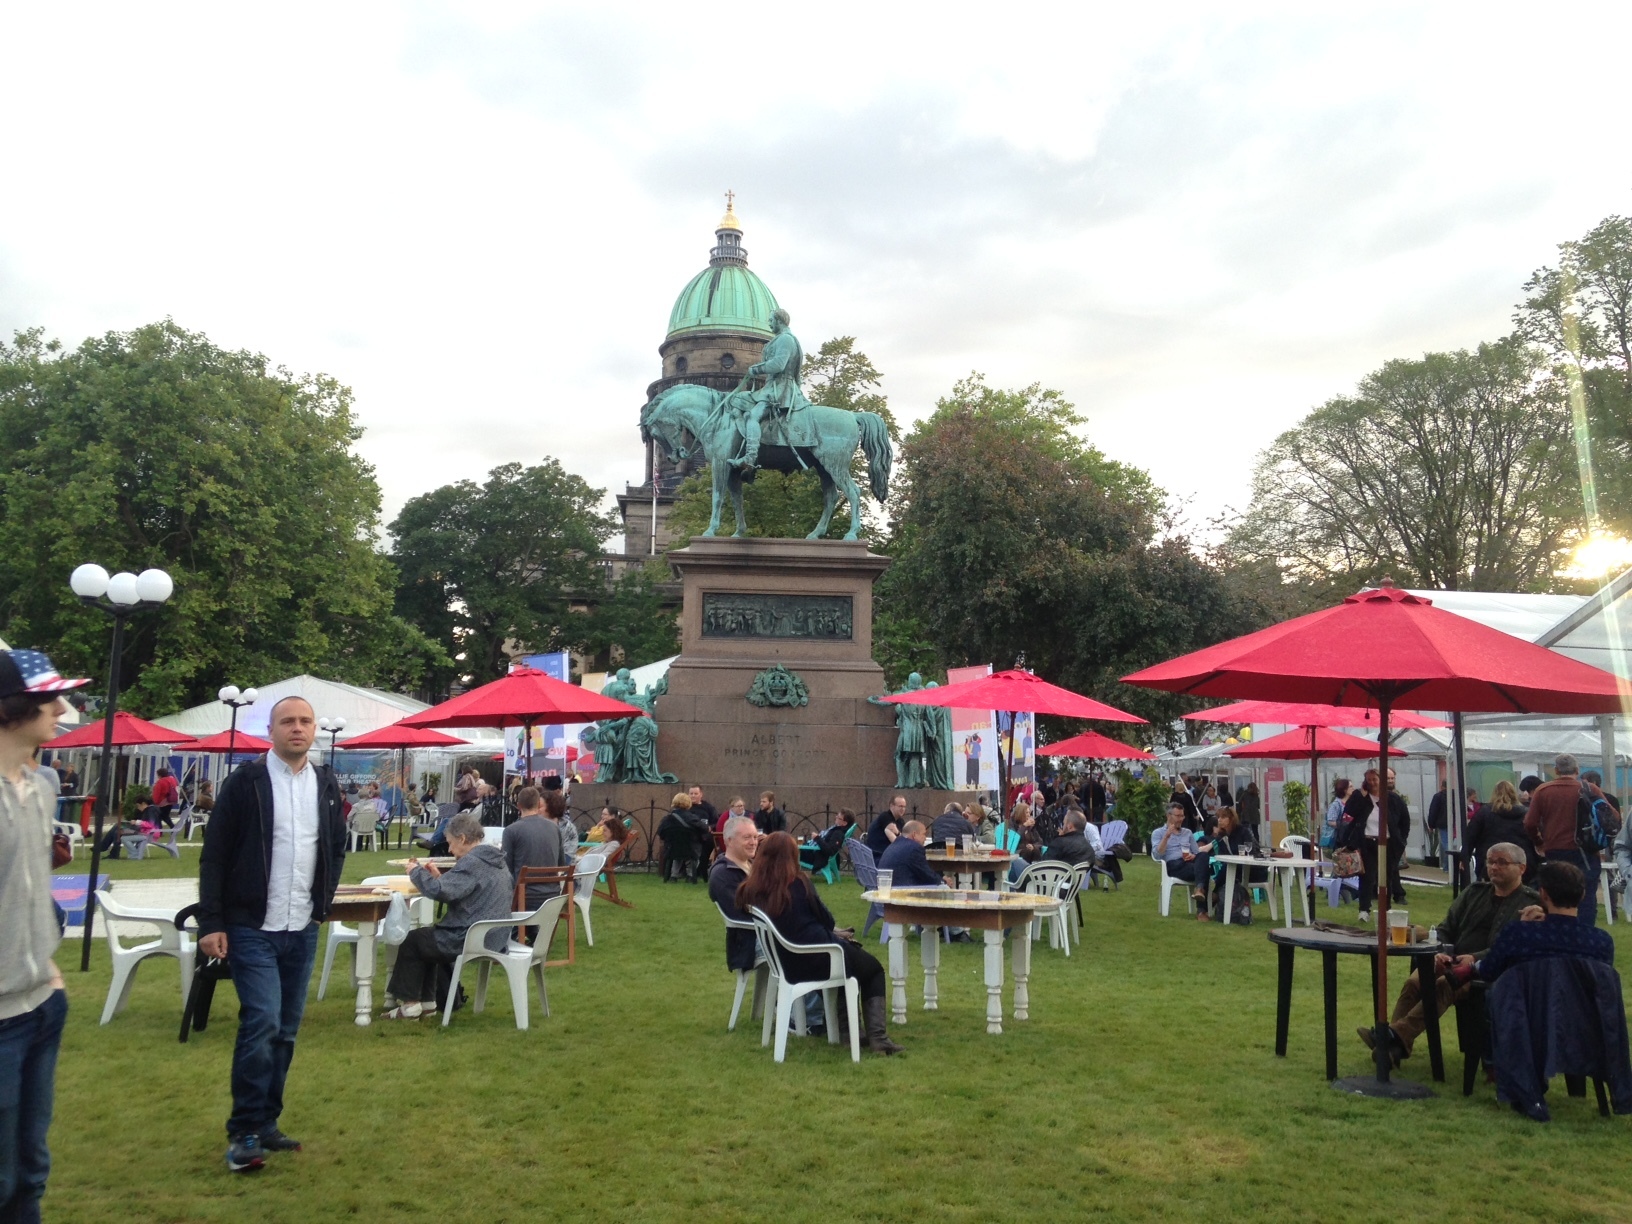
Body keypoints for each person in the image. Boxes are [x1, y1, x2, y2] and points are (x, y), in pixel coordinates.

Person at [198, 695, 348, 1172]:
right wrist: (212, 921)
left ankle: (266, 1123)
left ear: (315, 730)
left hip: (301, 925)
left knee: (285, 1031)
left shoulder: (325, 784)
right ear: (271, 729)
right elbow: (215, 855)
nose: (298, 728)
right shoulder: (246, 782)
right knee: (260, 1022)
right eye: (288, 721)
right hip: (251, 926)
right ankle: (243, 1131)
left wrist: (321, 905)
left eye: (306, 721)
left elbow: (335, 846)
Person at [0, 650, 81, 1221]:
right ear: (13, 706)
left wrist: (49, 969)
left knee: (30, 1172)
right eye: (49, 697)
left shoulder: (42, 785)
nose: (62, 709)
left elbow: (32, 888)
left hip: (41, 1004)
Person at [1357, 843, 1538, 1067]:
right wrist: (1439, 951)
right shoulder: (1474, 892)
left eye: (1502, 862)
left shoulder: (1530, 904)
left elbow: (1516, 946)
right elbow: (1444, 929)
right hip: (1452, 960)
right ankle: (1393, 1047)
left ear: (1522, 868)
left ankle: (1388, 1037)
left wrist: (1475, 958)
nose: (1494, 867)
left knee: (1445, 984)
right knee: (1415, 981)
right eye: (1491, 861)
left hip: (1491, 970)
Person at [737, 832, 903, 1055]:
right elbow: (828, 920)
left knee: (853, 964)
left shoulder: (751, 888)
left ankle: (849, 1033)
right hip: (818, 955)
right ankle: (878, 1039)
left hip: (786, 960)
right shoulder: (798, 883)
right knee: (873, 970)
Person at [383, 813, 515, 1021]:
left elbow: (439, 892)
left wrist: (416, 872)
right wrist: (439, 878)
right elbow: (463, 893)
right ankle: (427, 1004)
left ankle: (410, 1006)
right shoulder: (495, 860)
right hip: (495, 936)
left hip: (470, 936)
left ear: (462, 839)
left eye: (451, 844)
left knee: (413, 941)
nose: (451, 850)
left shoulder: (472, 863)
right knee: (425, 940)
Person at [1464, 861, 1616, 983]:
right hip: (1582, 1018)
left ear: (1543, 894)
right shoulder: (1601, 942)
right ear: (1583, 894)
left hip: (1527, 1016)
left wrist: (1524, 927)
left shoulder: (1520, 935)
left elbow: (1488, 971)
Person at [1523, 754, 1598, 926]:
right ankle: (1584, 935)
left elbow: (1529, 823)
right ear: (1577, 770)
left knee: (1555, 894)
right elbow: (1612, 817)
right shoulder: (1589, 789)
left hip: (1555, 849)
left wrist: (1538, 841)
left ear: (1556, 770)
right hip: (1585, 851)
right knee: (1585, 895)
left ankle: (1556, 931)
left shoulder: (1543, 790)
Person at [1341, 769, 1404, 922]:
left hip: (1388, 842)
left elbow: (1404, 820)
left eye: (1374, 779)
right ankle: (1364, 910)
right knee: (1367, 877)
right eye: (1369, 779)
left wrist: (1401, 839)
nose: (1372, 782)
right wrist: (1360, 796)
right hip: (1368, 842)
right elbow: (1349, 813)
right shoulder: (1360, 797)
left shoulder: (1393, 799)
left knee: (1387, 876)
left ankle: (1386, 908)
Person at [707, 815, 761, 974]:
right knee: (815, 953)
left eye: (755, 837)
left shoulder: (753, 867)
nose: (753, 842)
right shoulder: (723, 874)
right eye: (747, 837)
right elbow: (741, 915)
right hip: (751, 944)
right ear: (729, 841)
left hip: (770, 934)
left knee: (831, 944)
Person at [501, 786, 565, 912]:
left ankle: (516, 931)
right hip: (552, 895)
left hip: (524, 896)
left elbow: (506, 869)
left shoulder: (511, 831)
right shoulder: (554, 828)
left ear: (518, 806)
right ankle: (531, 931)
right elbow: (561, 864)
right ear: (538, 804)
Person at [1150, 802, 1214, 919]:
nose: (1181, 819)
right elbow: (1157, 855)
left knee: (1203, 856)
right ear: (1169, 816)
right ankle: (1201, 911)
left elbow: (1196, 852)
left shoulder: (1187, 833)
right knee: (1205, 871)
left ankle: (1199, 890)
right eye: (1178, 816)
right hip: (1173, 865)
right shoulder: (1158, 833)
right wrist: (1166, 836)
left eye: (1182, 816)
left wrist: (1193, 856)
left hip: (1189, 863)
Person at [1465, 781, 1532, 882]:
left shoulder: (1484, 812)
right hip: (1519, 859)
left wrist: (1465, 856)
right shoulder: (1526, 813)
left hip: (1490, 859)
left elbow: (1471, 835)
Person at [878, 820, 950, 888]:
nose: (925, 838)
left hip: (886, 890)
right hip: (901, 892)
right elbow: (927, 875)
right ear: (914, 835)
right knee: (944, 888)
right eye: (923, 834)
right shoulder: (914, 849)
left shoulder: (895, 844)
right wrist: (943, 882)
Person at [658, 793, 706, 883]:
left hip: (671, 848)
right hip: (691, 848)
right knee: (694, 853)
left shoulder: (667, 819)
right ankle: (690, 875)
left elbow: (661, 832)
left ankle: (673, 875)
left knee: (677, 855)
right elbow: (704, 828)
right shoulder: (691, 818)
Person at [1321, 779, 1351, 849]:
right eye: (1351, 787)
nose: (1353, 788)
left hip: (1347, 838)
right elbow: (1330, 821)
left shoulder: (1350, 803)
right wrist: (1343, 825)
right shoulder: (1336, 804)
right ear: (1345, 790)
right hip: (1339, 840)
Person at [1425, 781, 1447, 863]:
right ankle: (1447, 866)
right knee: (1450, 844)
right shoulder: (1454, 795)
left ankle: (1447, 866)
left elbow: (1433, 811)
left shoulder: (1438, 796)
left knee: (1446, 845)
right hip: (1454, 824)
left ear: (1442, 786)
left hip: (1442, 824)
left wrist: (1431, 825)